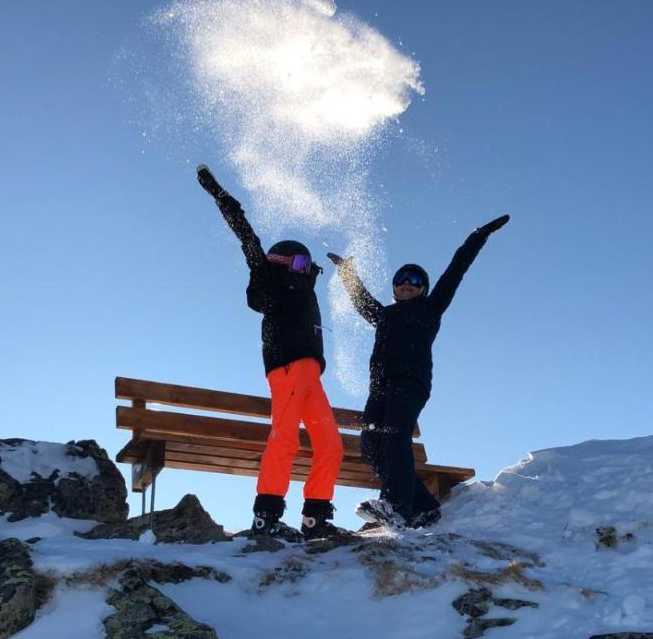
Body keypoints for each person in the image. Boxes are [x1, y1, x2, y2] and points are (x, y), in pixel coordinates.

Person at [328, 214, 510, 527]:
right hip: (380, 388)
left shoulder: (430, 308)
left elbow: (456, 269)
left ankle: (395, 508)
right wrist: (347, 272)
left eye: (414, 280)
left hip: (410, 383)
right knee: (372, 446)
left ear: (423, 288)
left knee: (396, 439)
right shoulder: (384, 315)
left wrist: (478, 235)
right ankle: (425, 508)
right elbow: (361, 302)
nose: (406, 285)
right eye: (400, 280)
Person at [197, 165, 344, 539]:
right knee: (286, 438)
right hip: (288, 366)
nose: (305, 269)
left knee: (330, 444)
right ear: (281, 263)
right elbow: (245, 233)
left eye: (307, 264)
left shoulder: (303, 286)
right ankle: (267, 516)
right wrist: (219, 194)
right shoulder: (271, 278)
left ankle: (315, 517)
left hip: (310, 372)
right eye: (298, 262)